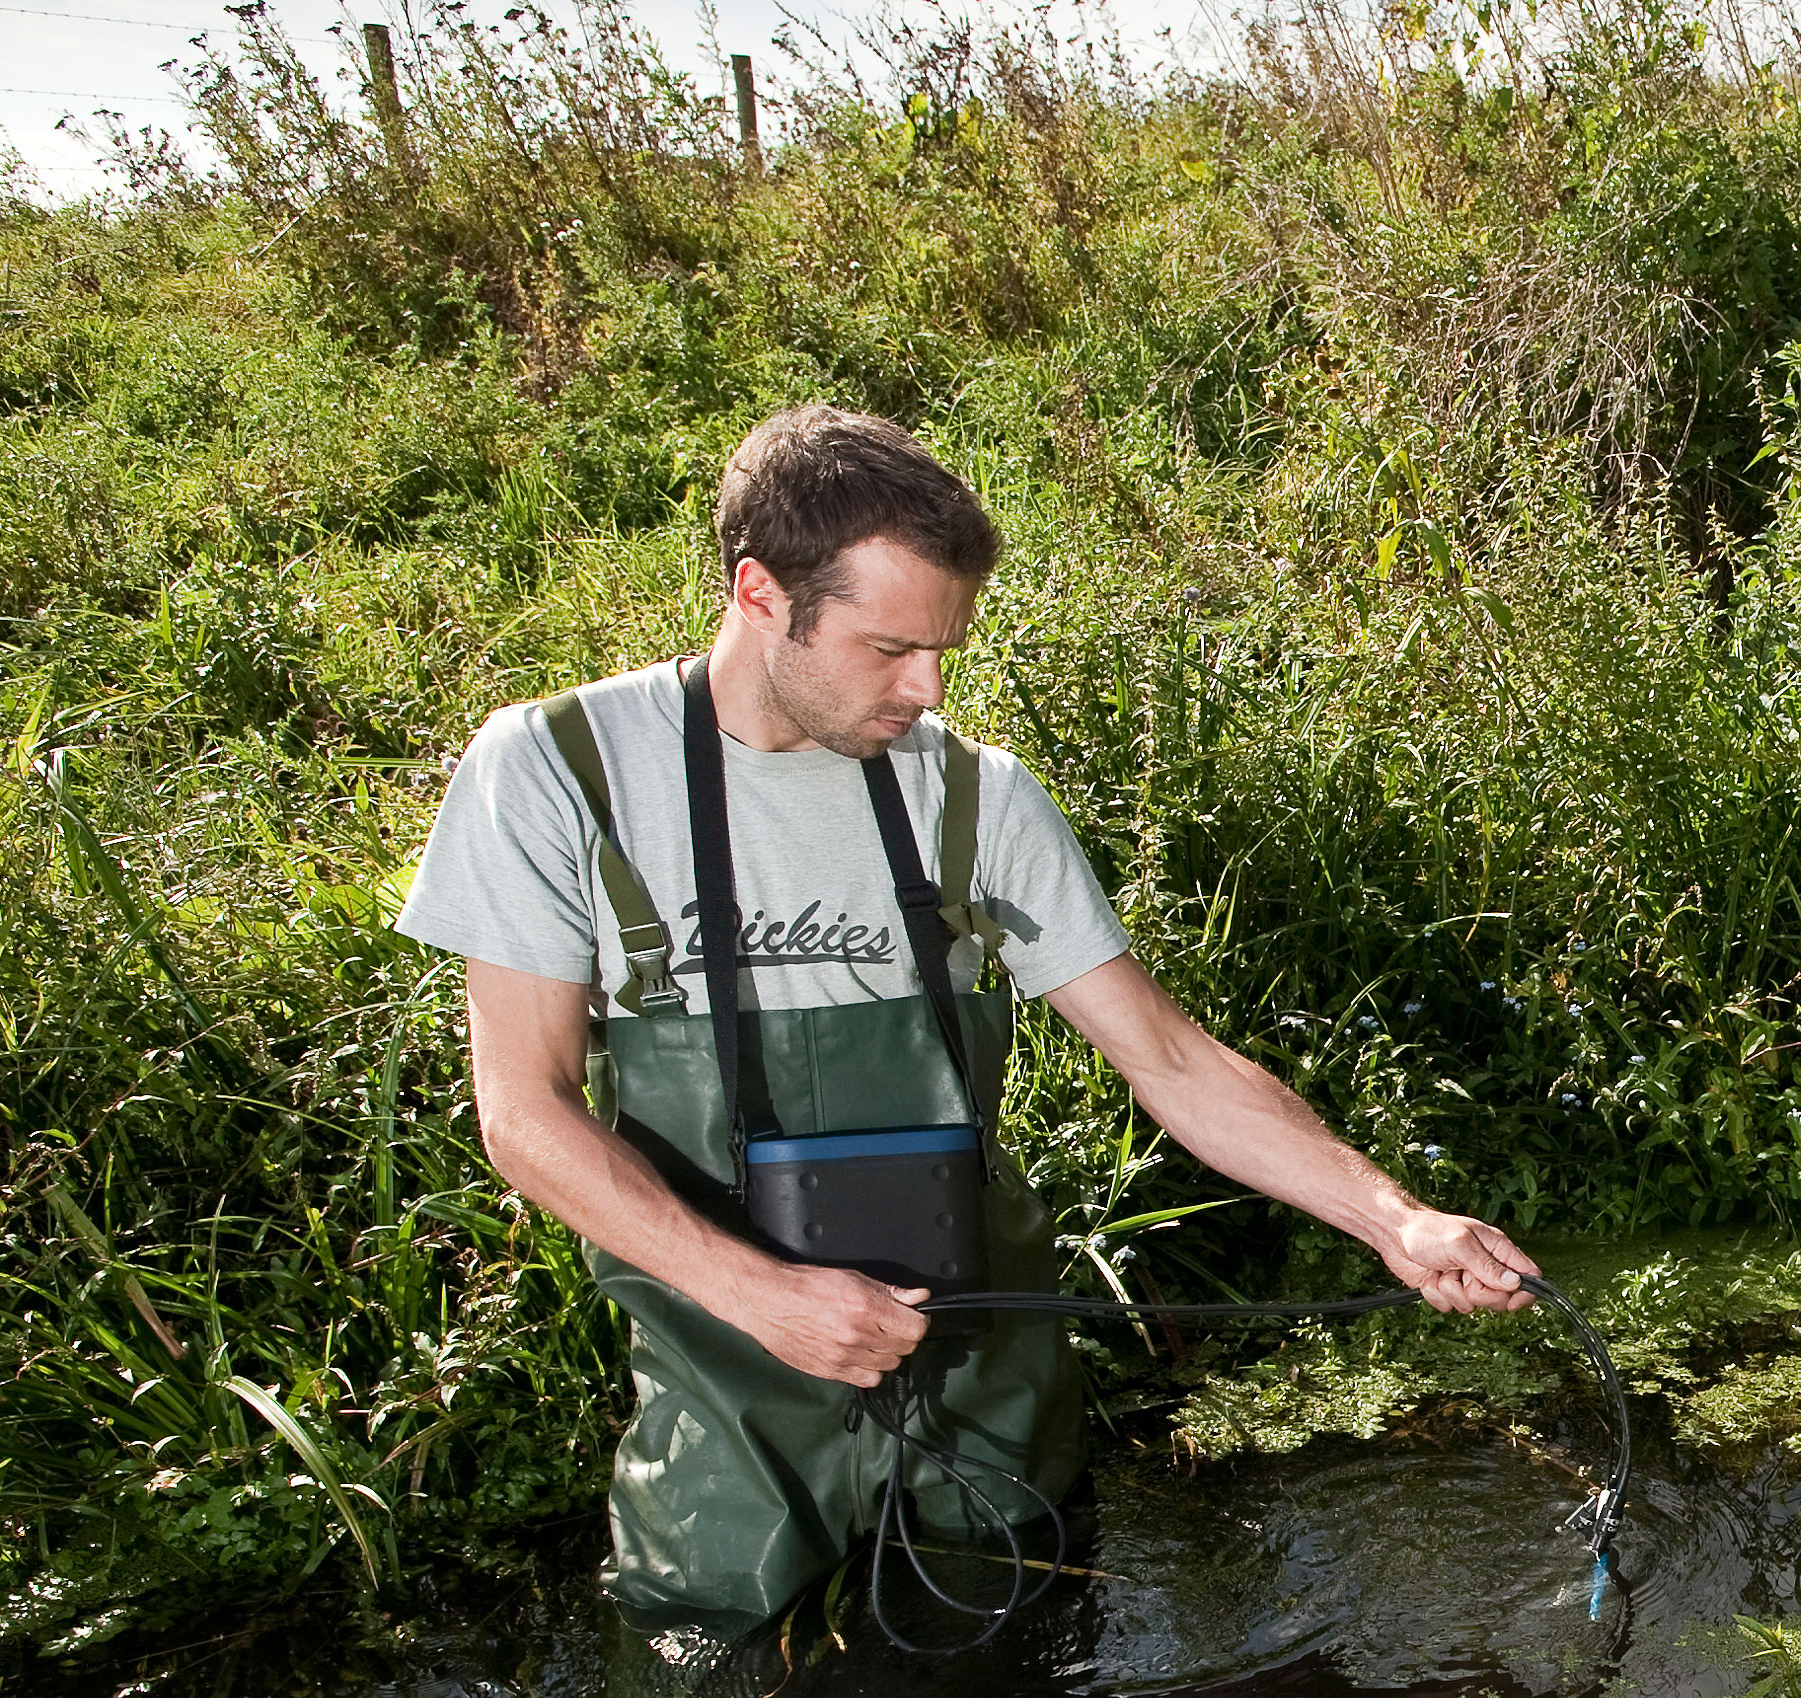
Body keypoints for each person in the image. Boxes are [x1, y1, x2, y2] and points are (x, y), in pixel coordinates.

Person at [398, 403, 1538, 1630]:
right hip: (731, 1395)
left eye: (943, 647)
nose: (927, 688)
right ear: (760, 593)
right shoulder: (557, 767)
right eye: (890, 646)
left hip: (988, 1379)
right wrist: (764, 1296)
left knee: (1030, 1691)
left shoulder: (973, 791)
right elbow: (523, 1110)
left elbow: (1172, 1061)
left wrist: (1395, 1218)